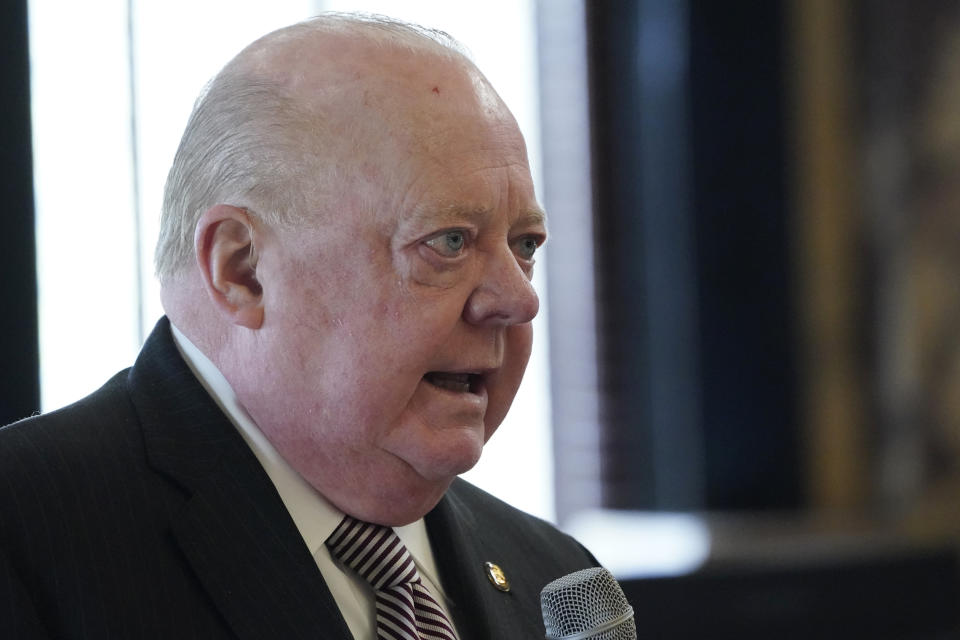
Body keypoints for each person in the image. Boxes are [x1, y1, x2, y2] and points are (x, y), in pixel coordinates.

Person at [0, 13, 597, 640]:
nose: (518, 298)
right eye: (448, 241)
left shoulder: (554, 582)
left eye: (525, 244)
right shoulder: (27, 535)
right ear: (244, 270)